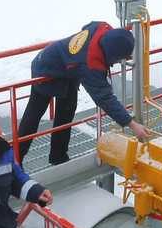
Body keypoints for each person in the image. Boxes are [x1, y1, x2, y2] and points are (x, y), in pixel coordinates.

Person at [17, 21, 152, 165]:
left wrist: (76, 55)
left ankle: (58, 157)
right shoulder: (90, 64)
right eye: (119, 59)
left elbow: (87, 27)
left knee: (66, 112)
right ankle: (16, 159)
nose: (119, 62)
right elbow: (104, 98)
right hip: (45, 69)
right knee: (35, 113)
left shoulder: (103, 27)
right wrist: (132, 124)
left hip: (66, 67)